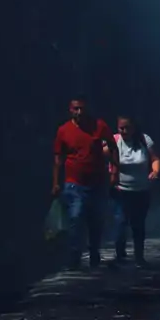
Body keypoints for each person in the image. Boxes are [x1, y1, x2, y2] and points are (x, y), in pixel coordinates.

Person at [52, 96, 116, 271]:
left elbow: (112, 146)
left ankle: (94, 251)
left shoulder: (99, 126)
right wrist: (56, 182)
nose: (79, 112)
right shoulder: (63, 130)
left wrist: (114, 171)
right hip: (74, 184)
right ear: (70, 110)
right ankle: (74, 257)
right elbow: (58, 158)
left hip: (97, 182)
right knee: (75, 218)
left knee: (96, 220)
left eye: (82, 108)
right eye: (75, 109)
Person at [110, 115, 160, 266]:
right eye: (121, 127)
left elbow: (155, 158)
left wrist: (155, 171)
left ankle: (139, 257)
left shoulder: (144, 140)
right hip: (121, 191)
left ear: (133, 127)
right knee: (120, 223)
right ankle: (120, 255)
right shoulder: (114, 140)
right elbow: (99, 154)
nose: (124, 131)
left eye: (127, 127)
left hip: (141, 191)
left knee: (138, 224)